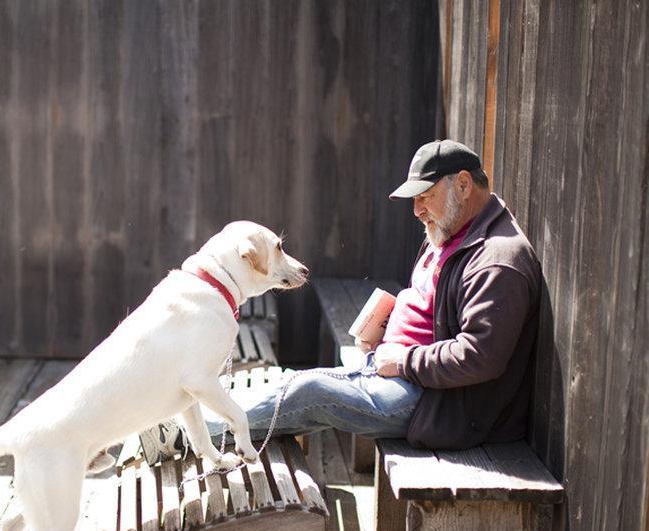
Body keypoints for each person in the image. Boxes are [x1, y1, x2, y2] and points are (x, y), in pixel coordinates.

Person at [139, 139, 541, 462]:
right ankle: (189, 419)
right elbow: (429, 298)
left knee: (310, 392)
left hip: (439, 404)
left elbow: (481, 357)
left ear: (464, 185)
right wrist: (386, 324)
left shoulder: (498, 261)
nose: (417, 211)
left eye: (425, 197)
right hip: (400, 371)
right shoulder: (453, 229)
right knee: (292, 382)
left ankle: (179, 434)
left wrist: (402, 360)